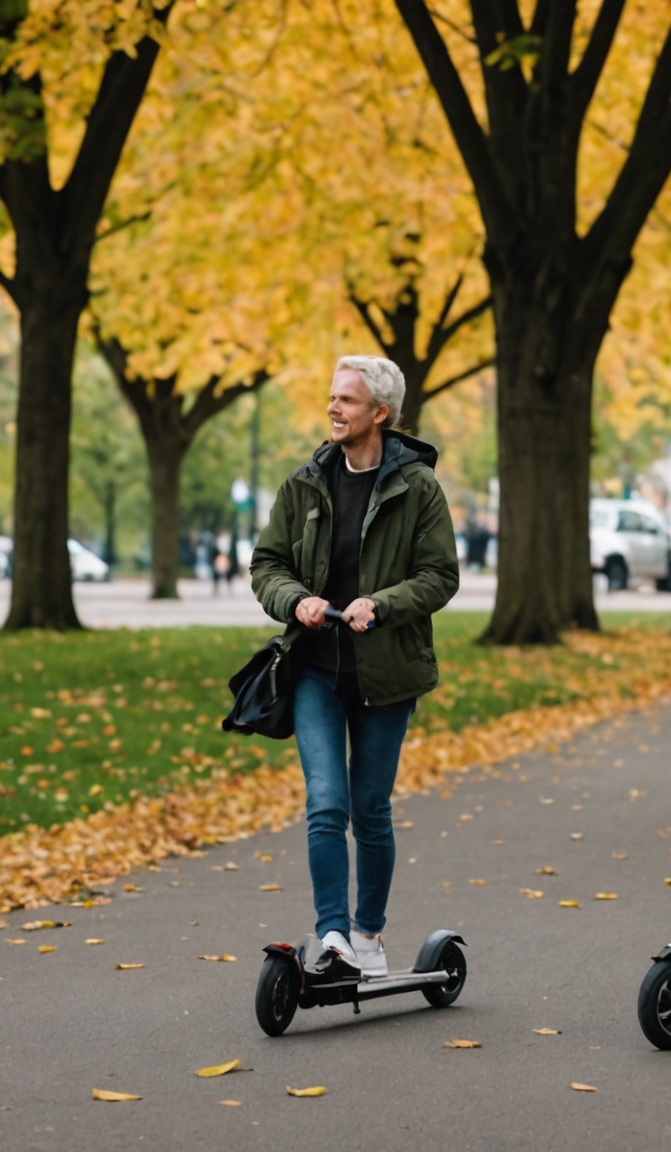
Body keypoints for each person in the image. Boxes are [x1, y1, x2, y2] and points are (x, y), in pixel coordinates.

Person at [250, 355, 459, 985]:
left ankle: (369, 935)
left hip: (386, 673)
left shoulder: (417, 487)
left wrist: (383, 604)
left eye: (346, 399)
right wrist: (297, 601)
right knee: (325, 803)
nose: (333, 408)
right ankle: (333, 935)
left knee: (369, 808)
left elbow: (440, 575)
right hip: (314, 668)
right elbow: (267, 564)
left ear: (380, 413)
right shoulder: (304, 483)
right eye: (332, 396)